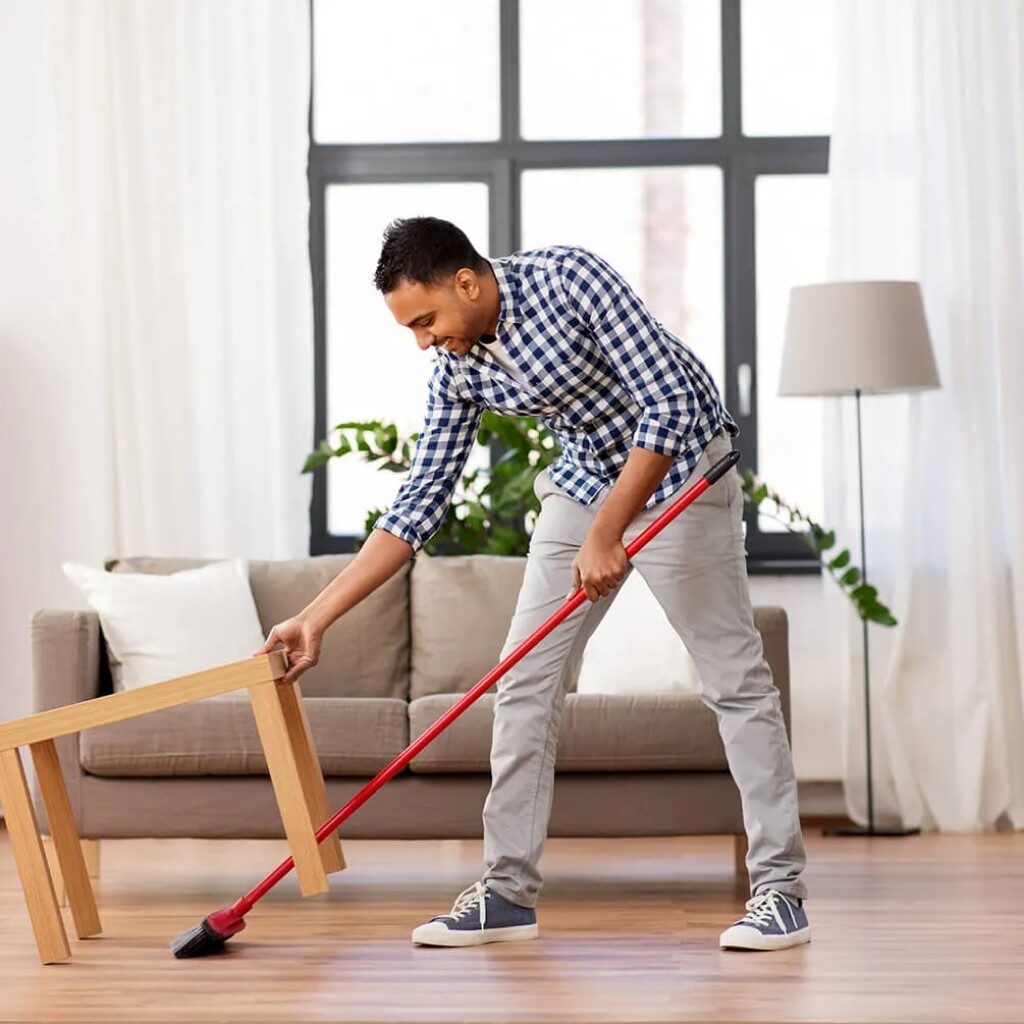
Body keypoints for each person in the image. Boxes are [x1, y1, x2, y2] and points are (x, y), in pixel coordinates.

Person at [254, 216, 810, 952]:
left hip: (682, 472)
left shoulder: (570, 279)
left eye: (426, 320)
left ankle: (781, 893)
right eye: (411, 330)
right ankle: (507, 894)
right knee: (523, 682)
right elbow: (418, 504)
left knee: (734, 680)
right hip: (585, 483)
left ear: (467, 281)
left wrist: (608, 533)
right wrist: (316, 618)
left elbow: (671, 405)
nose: (424, 341)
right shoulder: (459, 366)